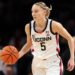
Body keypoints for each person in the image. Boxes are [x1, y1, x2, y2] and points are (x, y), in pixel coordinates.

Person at [18, 2, 75, 75]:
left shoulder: (54, 25)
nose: (33, 14)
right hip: (37, 62)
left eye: (36, 11)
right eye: (32, 11)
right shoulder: (28, 27)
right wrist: (18, 55)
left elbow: (70, 38)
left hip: (52, 61)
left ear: (44, 12)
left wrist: (72, 58)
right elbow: (29, 43)